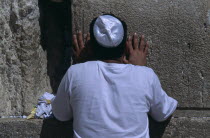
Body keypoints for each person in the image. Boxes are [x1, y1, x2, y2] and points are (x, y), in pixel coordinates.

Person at [52, 14, 178, 138]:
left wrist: (82, 67)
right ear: (126, 47)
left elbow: (61, 114)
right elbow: (163, 113)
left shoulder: (74, 73)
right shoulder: (145, 75)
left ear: (90, 47)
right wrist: (140, 70)